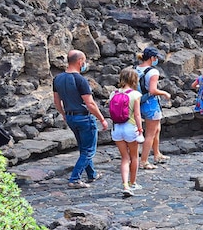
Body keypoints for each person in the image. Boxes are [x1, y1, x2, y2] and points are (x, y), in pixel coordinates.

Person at [52, 49, 109, 189]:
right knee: (89, 150)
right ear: (80, 61)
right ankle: (75, 178)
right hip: (84, 118)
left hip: (71, 117)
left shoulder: (57, 79)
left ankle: (92, 174)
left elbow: (56, 101)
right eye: (84, 61)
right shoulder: (80, 80)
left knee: (83, 147)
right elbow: (90, 103)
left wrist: (63, 114)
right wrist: (102, 118)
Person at [110, 67, 144, 197]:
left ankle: (124, 184)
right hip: (130, 128)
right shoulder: (135, 95)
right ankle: (132, 183)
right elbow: (137, 115)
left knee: (125, 158)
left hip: (117, 128)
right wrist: (140, 128)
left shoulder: (113, 94)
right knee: (134, 156)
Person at [136, 46, 172, 169]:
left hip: (139, 103)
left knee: (157, 129)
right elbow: (153, 90)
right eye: (156, 57)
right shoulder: (153, 72)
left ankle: (157, 154)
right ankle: (144, 161)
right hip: (151, 104)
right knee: (150, 134)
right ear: (152, 58)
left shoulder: (136, 69)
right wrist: (164, 93)